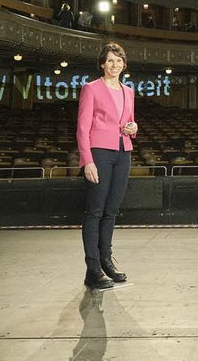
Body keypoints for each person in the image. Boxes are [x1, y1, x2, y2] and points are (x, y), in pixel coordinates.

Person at [76, 41, 139, 290]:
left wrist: (133, 128)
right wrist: (87, 160)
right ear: (103, 64)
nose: (115, 65)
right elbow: (82, 129)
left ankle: (106, 262)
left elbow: (129, 122)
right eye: (110, 60)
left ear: (124, 64)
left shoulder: (128, 91)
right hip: (99, 152)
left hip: (123, 152)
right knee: (95, 211)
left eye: (119, 60)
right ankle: (92, 268)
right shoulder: (91, 89)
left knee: (111, 211)